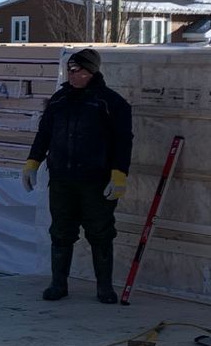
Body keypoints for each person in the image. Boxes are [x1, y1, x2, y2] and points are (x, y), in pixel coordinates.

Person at [22, 47, 133, 303]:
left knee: (100, 232)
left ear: (91, 71)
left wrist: (119, 175)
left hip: (96, 180)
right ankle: (58, 284)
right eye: (68, 71)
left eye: (76, 71)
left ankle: (104, 287)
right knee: (60, 231)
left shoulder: (111, 103)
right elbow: (44, 135)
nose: (71, 75)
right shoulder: (59, 101)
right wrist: (32, 162)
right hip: (62, 178)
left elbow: (123, 141)